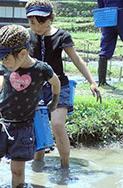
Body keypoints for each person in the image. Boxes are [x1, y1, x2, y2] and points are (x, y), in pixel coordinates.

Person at [0, 25, 61, 188]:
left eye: (5, 58)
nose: (3, 63)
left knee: (18, 169)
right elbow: (2, 82)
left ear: (22, 54)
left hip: (23, 126)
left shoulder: (41, 69)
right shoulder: (8, 65)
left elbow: (56, 82)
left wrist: (54, 101)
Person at [25, 0, 102, 168]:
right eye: (31, 22)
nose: (36, 27)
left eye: (41, 22)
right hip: (34, 88)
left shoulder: (62, 36)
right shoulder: (27, 36)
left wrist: (92, 81)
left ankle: (65, 167)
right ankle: (38, 165)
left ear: (52, 17)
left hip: (58, 87)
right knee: (38, 127)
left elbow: (77, 60)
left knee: (57, 124)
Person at [97, 0, 123, 86]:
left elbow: (100, 3)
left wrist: (101, 22)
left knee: (105, 48)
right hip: (121, 12)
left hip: (107, 15)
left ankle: (102, 81)